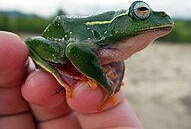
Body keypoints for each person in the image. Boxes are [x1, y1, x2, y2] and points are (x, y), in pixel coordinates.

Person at [0, 31, 143, 129]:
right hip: (60, 43)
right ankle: (55, 70)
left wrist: (115, 82)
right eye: (141, 12)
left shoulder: (115, 47)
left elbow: (117, 58)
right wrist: (104, 82)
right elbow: (74, 50)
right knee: (61, 55)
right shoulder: (105, 39)